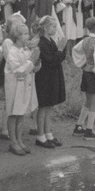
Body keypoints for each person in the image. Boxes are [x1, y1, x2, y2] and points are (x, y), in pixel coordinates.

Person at [2, 20, 40, 155]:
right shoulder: (13, 51)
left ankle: (19, 139)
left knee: (21, 114)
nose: (27, 36)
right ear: (17, 36)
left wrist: (37, 61)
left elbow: (33, 68)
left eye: (27, 34)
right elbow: (19, 70)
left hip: (24, 86)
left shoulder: (25, 50)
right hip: (15, 87)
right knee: (13, 114)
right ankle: (13, 142)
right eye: (24, 34)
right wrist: (31, 61)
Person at [71, 17, 95, 141]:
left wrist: (82, 64)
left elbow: (75, 50)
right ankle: (89, 130)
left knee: (88, 100)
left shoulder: (85, 40)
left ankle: (79, 126)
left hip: (86, 73)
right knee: (93, 102)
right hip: (94, 75)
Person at [34, 16, 66, 149]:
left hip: (52, 77)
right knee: (43, 107)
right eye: (53, 26)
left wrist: (61, 49)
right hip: (44, 78)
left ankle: (48, 133)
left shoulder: (50, 41)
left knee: (49, 106)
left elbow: (59, 58)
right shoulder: (42, 43)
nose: (56, 29)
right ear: (46, 28)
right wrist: (59, 49)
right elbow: (51, 60)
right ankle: (40, 135)